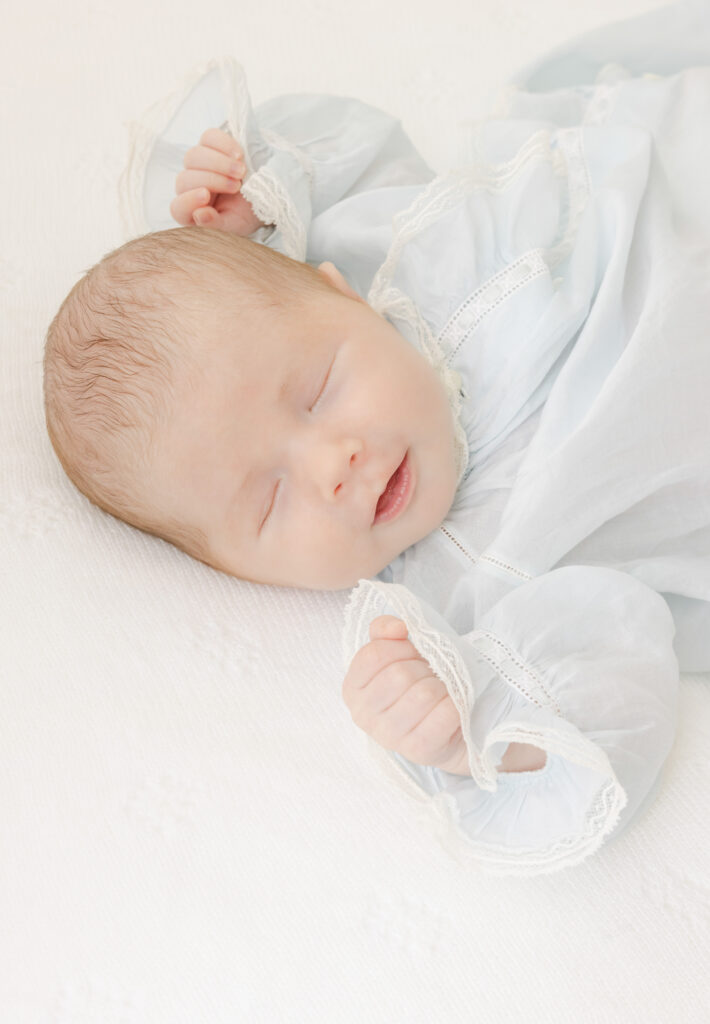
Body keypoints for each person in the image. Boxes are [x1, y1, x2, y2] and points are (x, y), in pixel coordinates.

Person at [43, 0, 710, 873]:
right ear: (245, 578)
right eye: (271, 501)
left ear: (343, 295)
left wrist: (258, 209)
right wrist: (475, 722)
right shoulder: (462, 598)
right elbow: (619, 677)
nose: (333, 465)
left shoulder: (391, 256)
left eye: (318, 392)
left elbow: (362, 154)